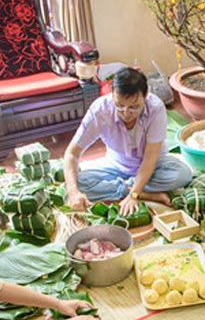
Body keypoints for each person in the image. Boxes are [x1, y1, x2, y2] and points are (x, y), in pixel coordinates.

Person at [63, 67, 192, 216]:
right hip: (117, 166)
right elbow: (72, 153)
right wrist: (73, 193)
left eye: (133, 107)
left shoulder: (155, 108)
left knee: (182, 175)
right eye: (119, 106)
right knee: (78, 183)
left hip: (154, 165)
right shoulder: (100, 110)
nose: (126, 113)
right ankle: (146, 193)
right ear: (112, 95)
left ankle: (132, 190)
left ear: (146, 96)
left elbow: (150, 157)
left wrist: (134, 196)